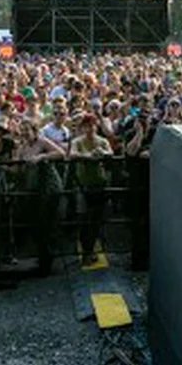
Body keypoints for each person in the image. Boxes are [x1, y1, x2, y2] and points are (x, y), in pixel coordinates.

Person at [70, 113, 112, 266]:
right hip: (83, 184)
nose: (90, 128)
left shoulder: (102, 141)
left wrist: (102, 153)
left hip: (99, 183)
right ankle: (86, 251)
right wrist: (88, 156)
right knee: (83, 219)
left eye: (92, 125)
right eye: (87, 125)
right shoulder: (77, 141)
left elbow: (110, 153)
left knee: (96, 219)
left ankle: (90, 250)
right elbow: (72, 154)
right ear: (82, 128)